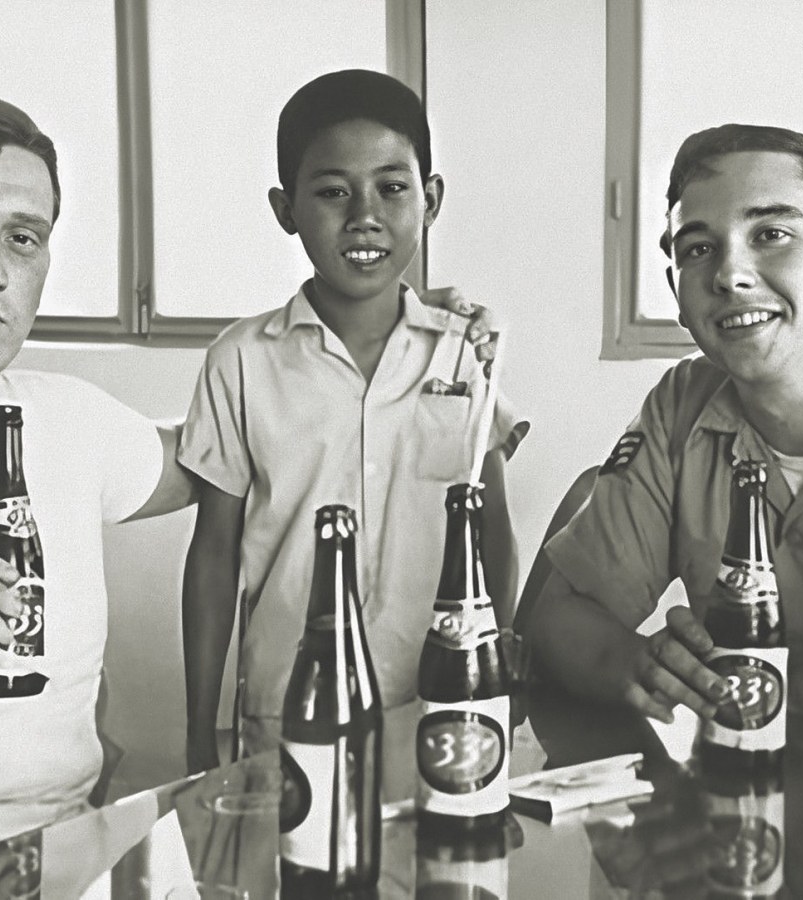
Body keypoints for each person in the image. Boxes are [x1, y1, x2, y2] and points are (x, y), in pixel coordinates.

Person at [0, 87, 492, 854]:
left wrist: (397, 322)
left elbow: (263, 434)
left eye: (23, 237)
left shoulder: (72, 422)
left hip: (66, 857)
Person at [516, 123, 803, 743]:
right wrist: (639, 665)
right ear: (677, 292)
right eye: (698, 249)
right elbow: (559, 619)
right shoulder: (681, 407)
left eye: (771, 234)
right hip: (732, 788)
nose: (729, 274)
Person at [178, 70, 527, 775]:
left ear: (430, 200)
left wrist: (497, 668)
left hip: (438, 700)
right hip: (288, 707)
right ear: (286, 209)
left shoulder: (464, 351)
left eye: (392, 188)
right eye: (333, 192)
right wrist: (198, 729)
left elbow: (489, 526)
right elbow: (214, 556)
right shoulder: (241, 360)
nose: (365, 216)